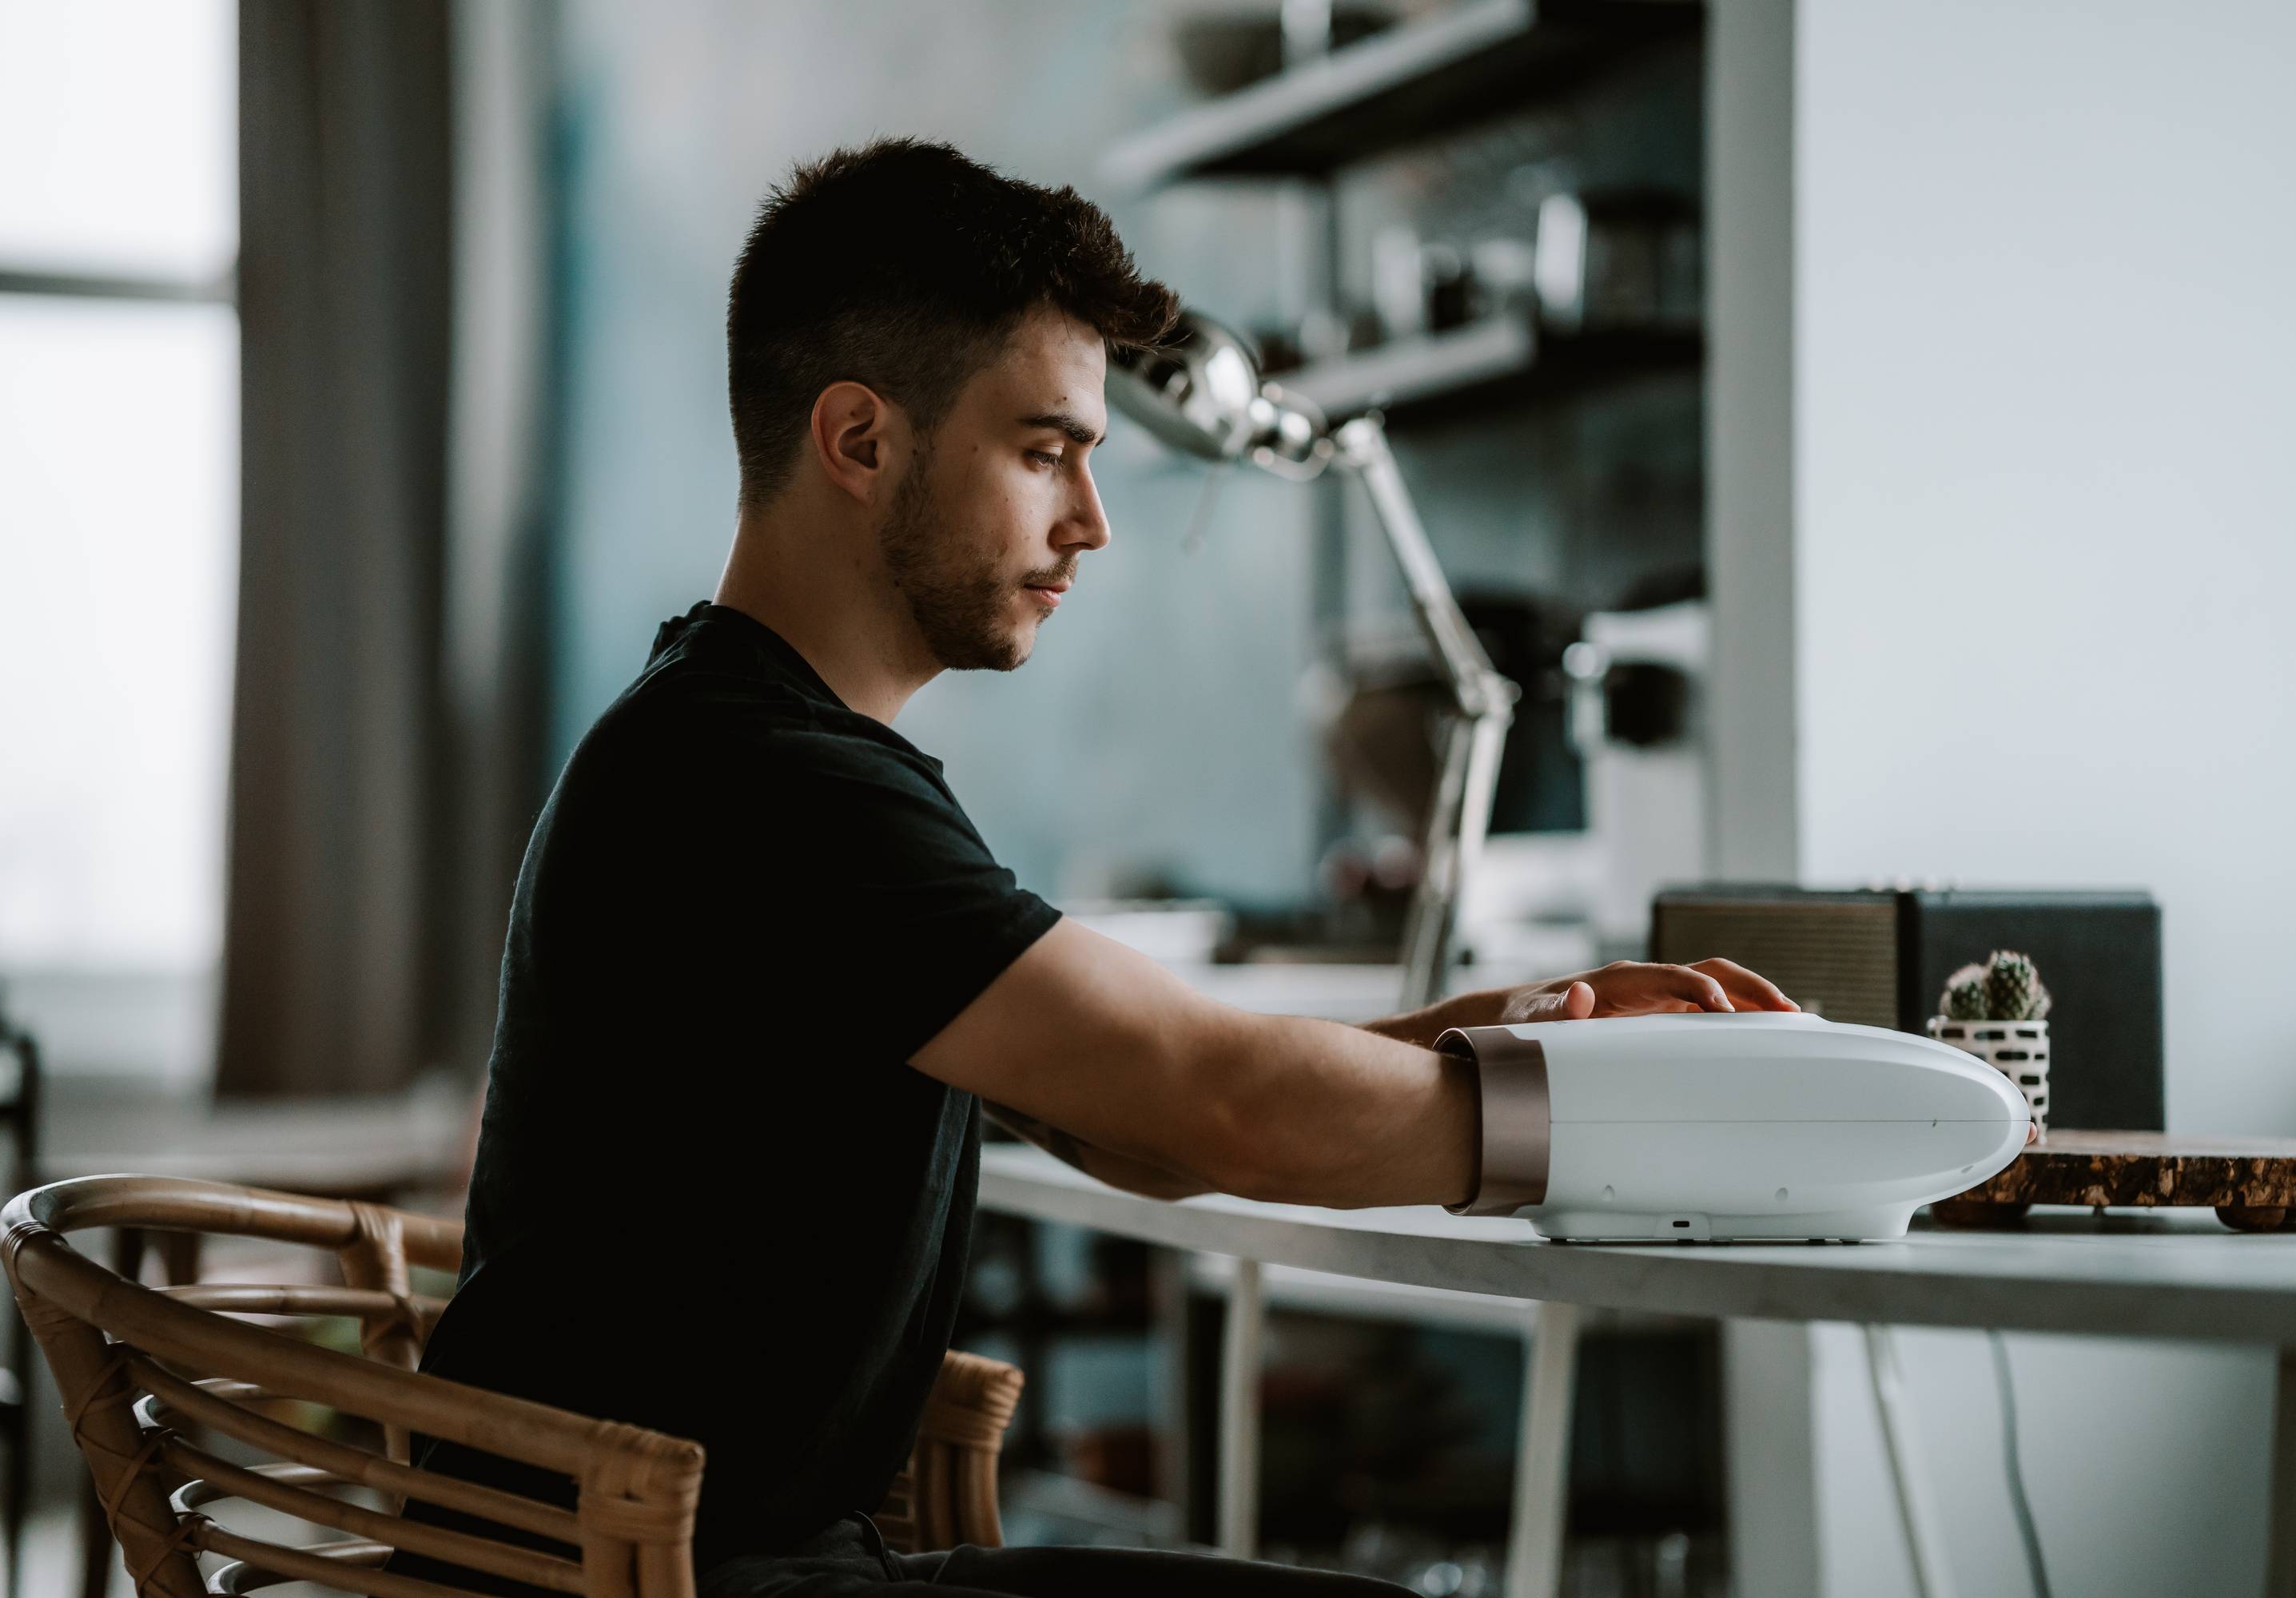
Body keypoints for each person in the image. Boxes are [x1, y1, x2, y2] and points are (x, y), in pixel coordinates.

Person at [398, 138, 1794, 1598]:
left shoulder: (737, 742)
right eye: (1043, 450)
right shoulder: (768, 780)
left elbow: (1137, 1127)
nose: (1093, 521)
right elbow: (1223, 1108)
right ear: (860, 441)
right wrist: (1640, 1119)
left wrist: (1509, 1028)